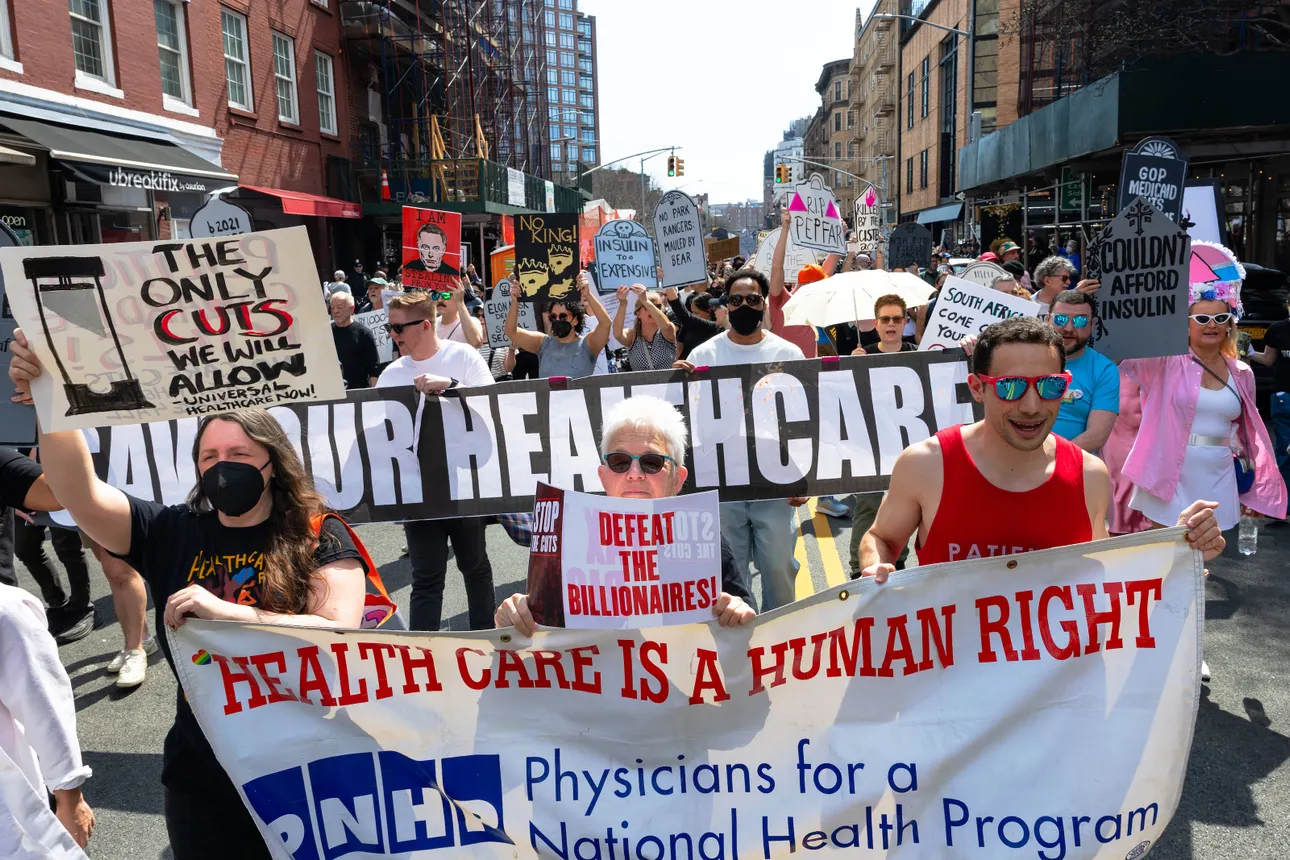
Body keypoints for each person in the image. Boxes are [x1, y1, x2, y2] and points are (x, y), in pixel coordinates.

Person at [9, 332, 370, 860]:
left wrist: (230, 613)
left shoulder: (319, 533)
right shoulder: (172, 531)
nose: (222, 465)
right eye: (210, 455)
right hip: (204, 772)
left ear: (274, 464)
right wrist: (50, 399)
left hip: (307, 762)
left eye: (240, 453)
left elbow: (340, 632)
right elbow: (79, 494)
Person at [857, 317, 1226, 584]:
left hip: (1055, 684)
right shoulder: (926, 465)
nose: (1032, 406)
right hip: (947, 675)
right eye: (1011, 386)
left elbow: (1100, 576)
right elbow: (882, 538)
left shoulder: (1089, 475)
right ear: (976, 388)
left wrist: (1176, 554)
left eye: (1050, 386)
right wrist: (875, 566)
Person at [494, 396, 756, 634]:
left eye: (652, 462)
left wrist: (737, 611)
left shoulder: (705, 541)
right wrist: (514, 618)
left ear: (678, 479)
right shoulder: (565, 544)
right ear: (603, 477)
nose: (634, 473)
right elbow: (539, 630)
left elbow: (746, 618)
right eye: (620, 461)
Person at [674, 268, 808, 611]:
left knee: (779, 569)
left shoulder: (789, 354)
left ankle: (779, 638)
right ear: (726, 305)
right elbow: (686, 419)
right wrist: (678, 384)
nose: (744, 305)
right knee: (732, 577)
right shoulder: (703, 356)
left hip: (774, 484)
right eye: (736, 300)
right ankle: (741, 643)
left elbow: (803, 419)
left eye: (752, 299)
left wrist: (804, 474)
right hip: (723, 487)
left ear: (763, 304)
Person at [1123, 286, 1287, 535]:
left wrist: (1254, 488)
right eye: (1202, 318)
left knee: (1207, 551)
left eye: (1221, 318)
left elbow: (1247, 433)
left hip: (1219, 471)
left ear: (1229, 325)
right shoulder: (1163, 362)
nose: (1212, 325)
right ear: (1186, 325)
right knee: (1170, 549)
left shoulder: (1242, 372)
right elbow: (1120, 353)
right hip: (1169, 471)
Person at [377, 292, 496, 632]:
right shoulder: (391, 375)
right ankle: (424, 655)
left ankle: (486, 643)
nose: (393, 334)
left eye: (398, 327)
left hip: (465, 488)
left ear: (426, 325)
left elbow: (495, 407)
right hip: (419, 493)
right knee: (426, 578)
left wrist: (452, 386)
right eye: (390, 326)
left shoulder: (463, 357)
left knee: (475, 567)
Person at [1044, 290, 1119, 451]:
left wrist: (1048, 461)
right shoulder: (1025, 358)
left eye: (1080, 321)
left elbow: (1096, 436)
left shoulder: (1104, 369)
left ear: (1093, 325)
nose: (1069, 328)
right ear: (1048, 319)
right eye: (1061, 319)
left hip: (1073, 467)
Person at [505, 271, 611, 379]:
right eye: (553, 317)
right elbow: (511, 331)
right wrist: (515, 301)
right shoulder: (543, 344)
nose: (558, 320)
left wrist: (587, 294)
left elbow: (605, 323)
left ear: (575, 320)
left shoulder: (588, 345)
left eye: (563, 316)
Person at [1246, 295, 1290, 487]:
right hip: (1283, 395)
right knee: (1284, 449)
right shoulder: (1277, 329)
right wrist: (1250, 352)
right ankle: (1286, 503)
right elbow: (1269, 359)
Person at [613, 284, 676, 371]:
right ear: (638, 313)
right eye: (647, 307)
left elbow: (666, 326)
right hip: (640, 384)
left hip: (668, 384)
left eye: (657, 306)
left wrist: (645, 301)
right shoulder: (632, 335)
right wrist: (623, 303)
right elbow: (617, 334)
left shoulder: (666, 331)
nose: (651, 309)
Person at [329, 291, 380, 390]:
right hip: (331, 392)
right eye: (332, 308)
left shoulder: (364, 333)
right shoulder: (326, 333)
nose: (335, 311)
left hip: (357, 393)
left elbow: (374, 368)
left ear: (351, 309)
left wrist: (373, 395)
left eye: (339, 307)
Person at [665, 286, 723, 361]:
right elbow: (679, 347)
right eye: (692, 312)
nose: (694, 315)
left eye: (696, 313)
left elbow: (684, 315)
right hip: (686, 366)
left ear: (708, 311)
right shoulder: (687, 325)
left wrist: (668, 286)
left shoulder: (716, 328)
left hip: (706, 368)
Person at [433, 277, 484, 347]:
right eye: (436, 295)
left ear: (458, 296)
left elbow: (475, 343)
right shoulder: (431, 325)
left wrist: (460, 303)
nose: (439, 300)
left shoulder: (473, 322)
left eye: (445, 295)